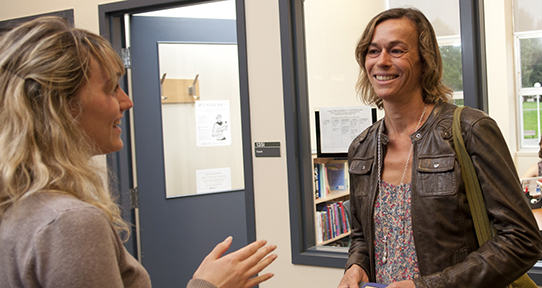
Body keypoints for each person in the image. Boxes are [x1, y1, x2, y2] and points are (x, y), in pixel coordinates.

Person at [0, 16, 277, 288]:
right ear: (58, 104)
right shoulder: (68, 223)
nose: (127, 102)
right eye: (111, 88)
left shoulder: (18, 208)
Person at [337, 7, 542, 288]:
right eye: (373, 51)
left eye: (396, 50)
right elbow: (361, 237)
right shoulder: (362, 148)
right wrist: (356, 266)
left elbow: (523, 241)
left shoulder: (470, 129)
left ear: (425, 60)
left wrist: (429, 286)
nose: (381, 61)